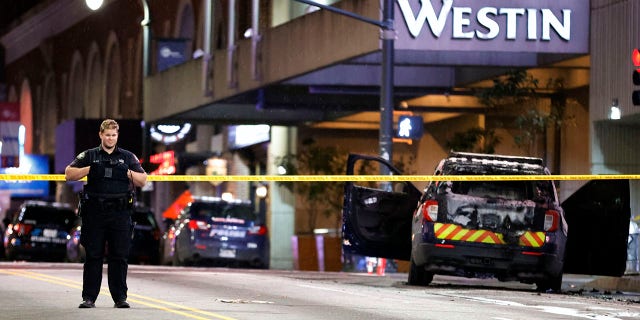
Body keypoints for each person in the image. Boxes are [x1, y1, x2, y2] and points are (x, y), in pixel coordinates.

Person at [65, 119, 147, 309]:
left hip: (120, 213)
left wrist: (129, 174)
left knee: (119, 256)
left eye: (113, 135)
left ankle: (120, 298)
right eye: (107, 135)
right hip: (95, 213)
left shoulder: (127, 157)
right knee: (93, 255)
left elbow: (143, 179)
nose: (110, 138)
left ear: (117, 136)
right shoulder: (90, 155)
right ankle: (89, 298)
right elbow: (69, 173)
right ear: (101, 135)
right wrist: (90, 169)